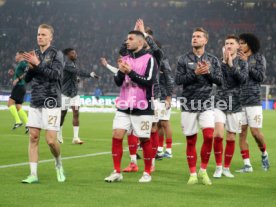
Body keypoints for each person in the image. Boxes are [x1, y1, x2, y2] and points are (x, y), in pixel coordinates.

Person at [104, 30, 157, 183]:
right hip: (124, 105)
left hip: (143, 106)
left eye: (131, 39)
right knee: (116, 135)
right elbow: (118, 82)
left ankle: (147, 173)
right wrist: (121, 72)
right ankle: (116, 172)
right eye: (127, 39)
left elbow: (148, 81)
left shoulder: (149, 59)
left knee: (145, 139)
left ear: (140, 42)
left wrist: (131, 72)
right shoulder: (124, 58)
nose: (127, 41)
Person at [175, 27, 222, 185]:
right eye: (193, 36)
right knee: (191, 141)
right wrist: (194, 73)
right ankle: (193, 173)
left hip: (207, 103)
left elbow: (220, 81)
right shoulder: (183, 59)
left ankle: (203, 169)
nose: (194, 38)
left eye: (198, 36)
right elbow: (178, 80)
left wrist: (207, 72)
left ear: (205, 40)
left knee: (209, 136)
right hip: (188, 103)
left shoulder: (213, 60)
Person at [22, 24, 65, 184]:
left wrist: (37, 64)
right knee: (33, 137)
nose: (40, 37)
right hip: (35, 100)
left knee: (51, 141)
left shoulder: (56, 54)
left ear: (50, 37)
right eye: (38, 34)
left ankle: (58, 162)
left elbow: (56, 75)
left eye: (43, 35)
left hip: (51, 101)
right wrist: (31, 67)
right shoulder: (34, 53)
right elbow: (27, 79)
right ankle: (33, 174)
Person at [213, 35, 248, 178]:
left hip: (236, 103)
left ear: (237, 46)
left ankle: (226, 167)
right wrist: (223, 63)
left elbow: (243, 80)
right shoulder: (218, 62)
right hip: (219, 102)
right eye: (226, 43)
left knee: (231, 137)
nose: (228, 45)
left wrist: (232, 65)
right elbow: (216, 80)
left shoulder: (243, 62)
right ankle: (218, 167)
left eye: (231, 43)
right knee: (218, 134)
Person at [236, 33, 270, 172]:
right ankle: (247, 164)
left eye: (243, 43)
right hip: (239, 101)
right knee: (242, 133)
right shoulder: (236, 60)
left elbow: (260, 77)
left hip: (253, 101)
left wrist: (246, 64)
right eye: (240, 43)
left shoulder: (258, 58)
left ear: (249, 44)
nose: (240, 45)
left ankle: (264, 154)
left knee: (255, 133)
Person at [58, 48, 98, 144]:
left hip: (74, 95)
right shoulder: (67, 64)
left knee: (76, 113)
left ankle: (75, 138)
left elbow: (74, 75)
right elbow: (78, 72)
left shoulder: (73, 64)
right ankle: (58, 135)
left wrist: (77, 79)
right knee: (63, 114)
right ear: (68, 55)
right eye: (73, 53)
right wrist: (90, 74)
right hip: (66, 94)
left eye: (75, 52)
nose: (75, 54)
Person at [7, 51, 29, 133]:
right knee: (18, 106)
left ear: (21, 55)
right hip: (21, 87)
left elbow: (27, 72)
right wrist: (13, 75)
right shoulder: (20, 64)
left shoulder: (23, 63)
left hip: (19, 87)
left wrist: (18, 79)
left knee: (10, 104)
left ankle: (18, 121)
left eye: (16, 54)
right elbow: (21, 74)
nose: (15, 56)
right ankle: (28, 124)